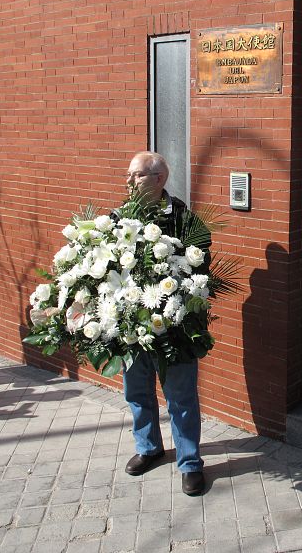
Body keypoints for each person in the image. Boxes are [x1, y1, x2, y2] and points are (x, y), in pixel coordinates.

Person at [116, 151, 205, 496]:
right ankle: (149, 447)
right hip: (132, 324)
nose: (129, 181)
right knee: (137, 391)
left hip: (174, 325)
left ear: (159, 179)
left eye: (136, 175)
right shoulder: (119, 218)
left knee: (180, 397)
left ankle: (190, 463)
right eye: (129, 174)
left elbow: (200, 269)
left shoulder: (184, 219)